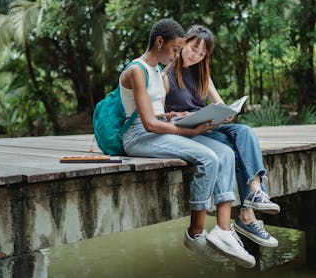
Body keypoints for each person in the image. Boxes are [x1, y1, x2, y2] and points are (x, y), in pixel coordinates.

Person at [120, 18, 255, 268]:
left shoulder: (154, 71)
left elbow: (156, 113)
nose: (176, 56)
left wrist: (175, 116)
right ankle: (195, 234)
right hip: (140, 136)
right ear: (160, 42)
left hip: (160, 129)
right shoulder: (137, 70)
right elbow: (147, 123)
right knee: (208, 158)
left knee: (224, 153)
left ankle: (223, 231)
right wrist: (187, 131)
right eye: (174, 49)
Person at [163, 24, 281, 248]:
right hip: (189, 133)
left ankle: (255, 190)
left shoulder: (202, 75)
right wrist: (182, 115)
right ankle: (247, 216)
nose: (195, 56)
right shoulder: (166, 75)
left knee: (244, 131)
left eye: (201, 54)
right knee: (232, 149)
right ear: (184, 43)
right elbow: (160, 118)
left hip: (208, 127)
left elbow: (219, 104)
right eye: (192, 49)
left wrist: (226, 113)